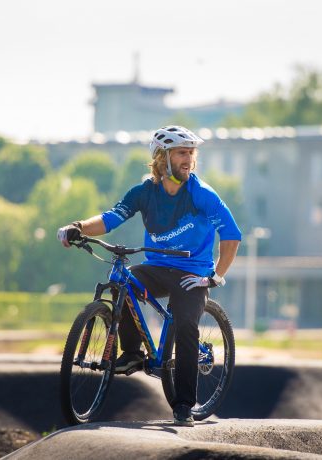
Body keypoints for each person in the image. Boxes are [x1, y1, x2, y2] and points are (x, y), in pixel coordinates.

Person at [57, 125, 241, 427]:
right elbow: (110, 218)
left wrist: (214, 277)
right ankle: (132, 353)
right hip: (157, 267)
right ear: (161, 158)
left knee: (184, 325)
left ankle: (183, 405)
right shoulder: (144, 192)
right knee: (122, 281)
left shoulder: (202, 194)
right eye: (182, 153)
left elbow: (231, 237)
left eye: (191, 153)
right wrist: (77, 226)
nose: (189, 159)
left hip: (192, 273)